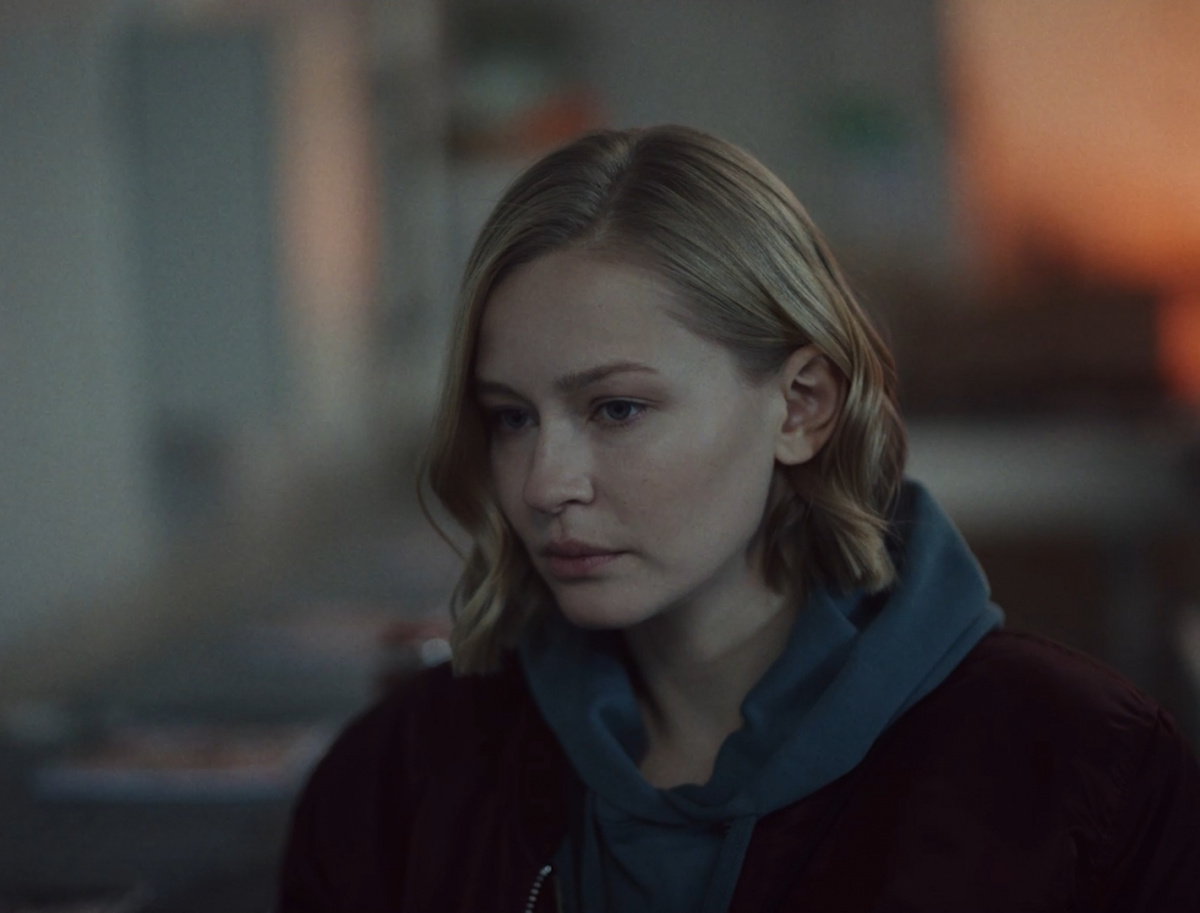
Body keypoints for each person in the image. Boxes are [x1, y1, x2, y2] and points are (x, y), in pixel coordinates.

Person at [277, 125, 1200, 912]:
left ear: (800, 406)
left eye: (616, 409)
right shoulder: (395, 788)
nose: (545, 483)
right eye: (511, 418)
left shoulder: (1087, 776)